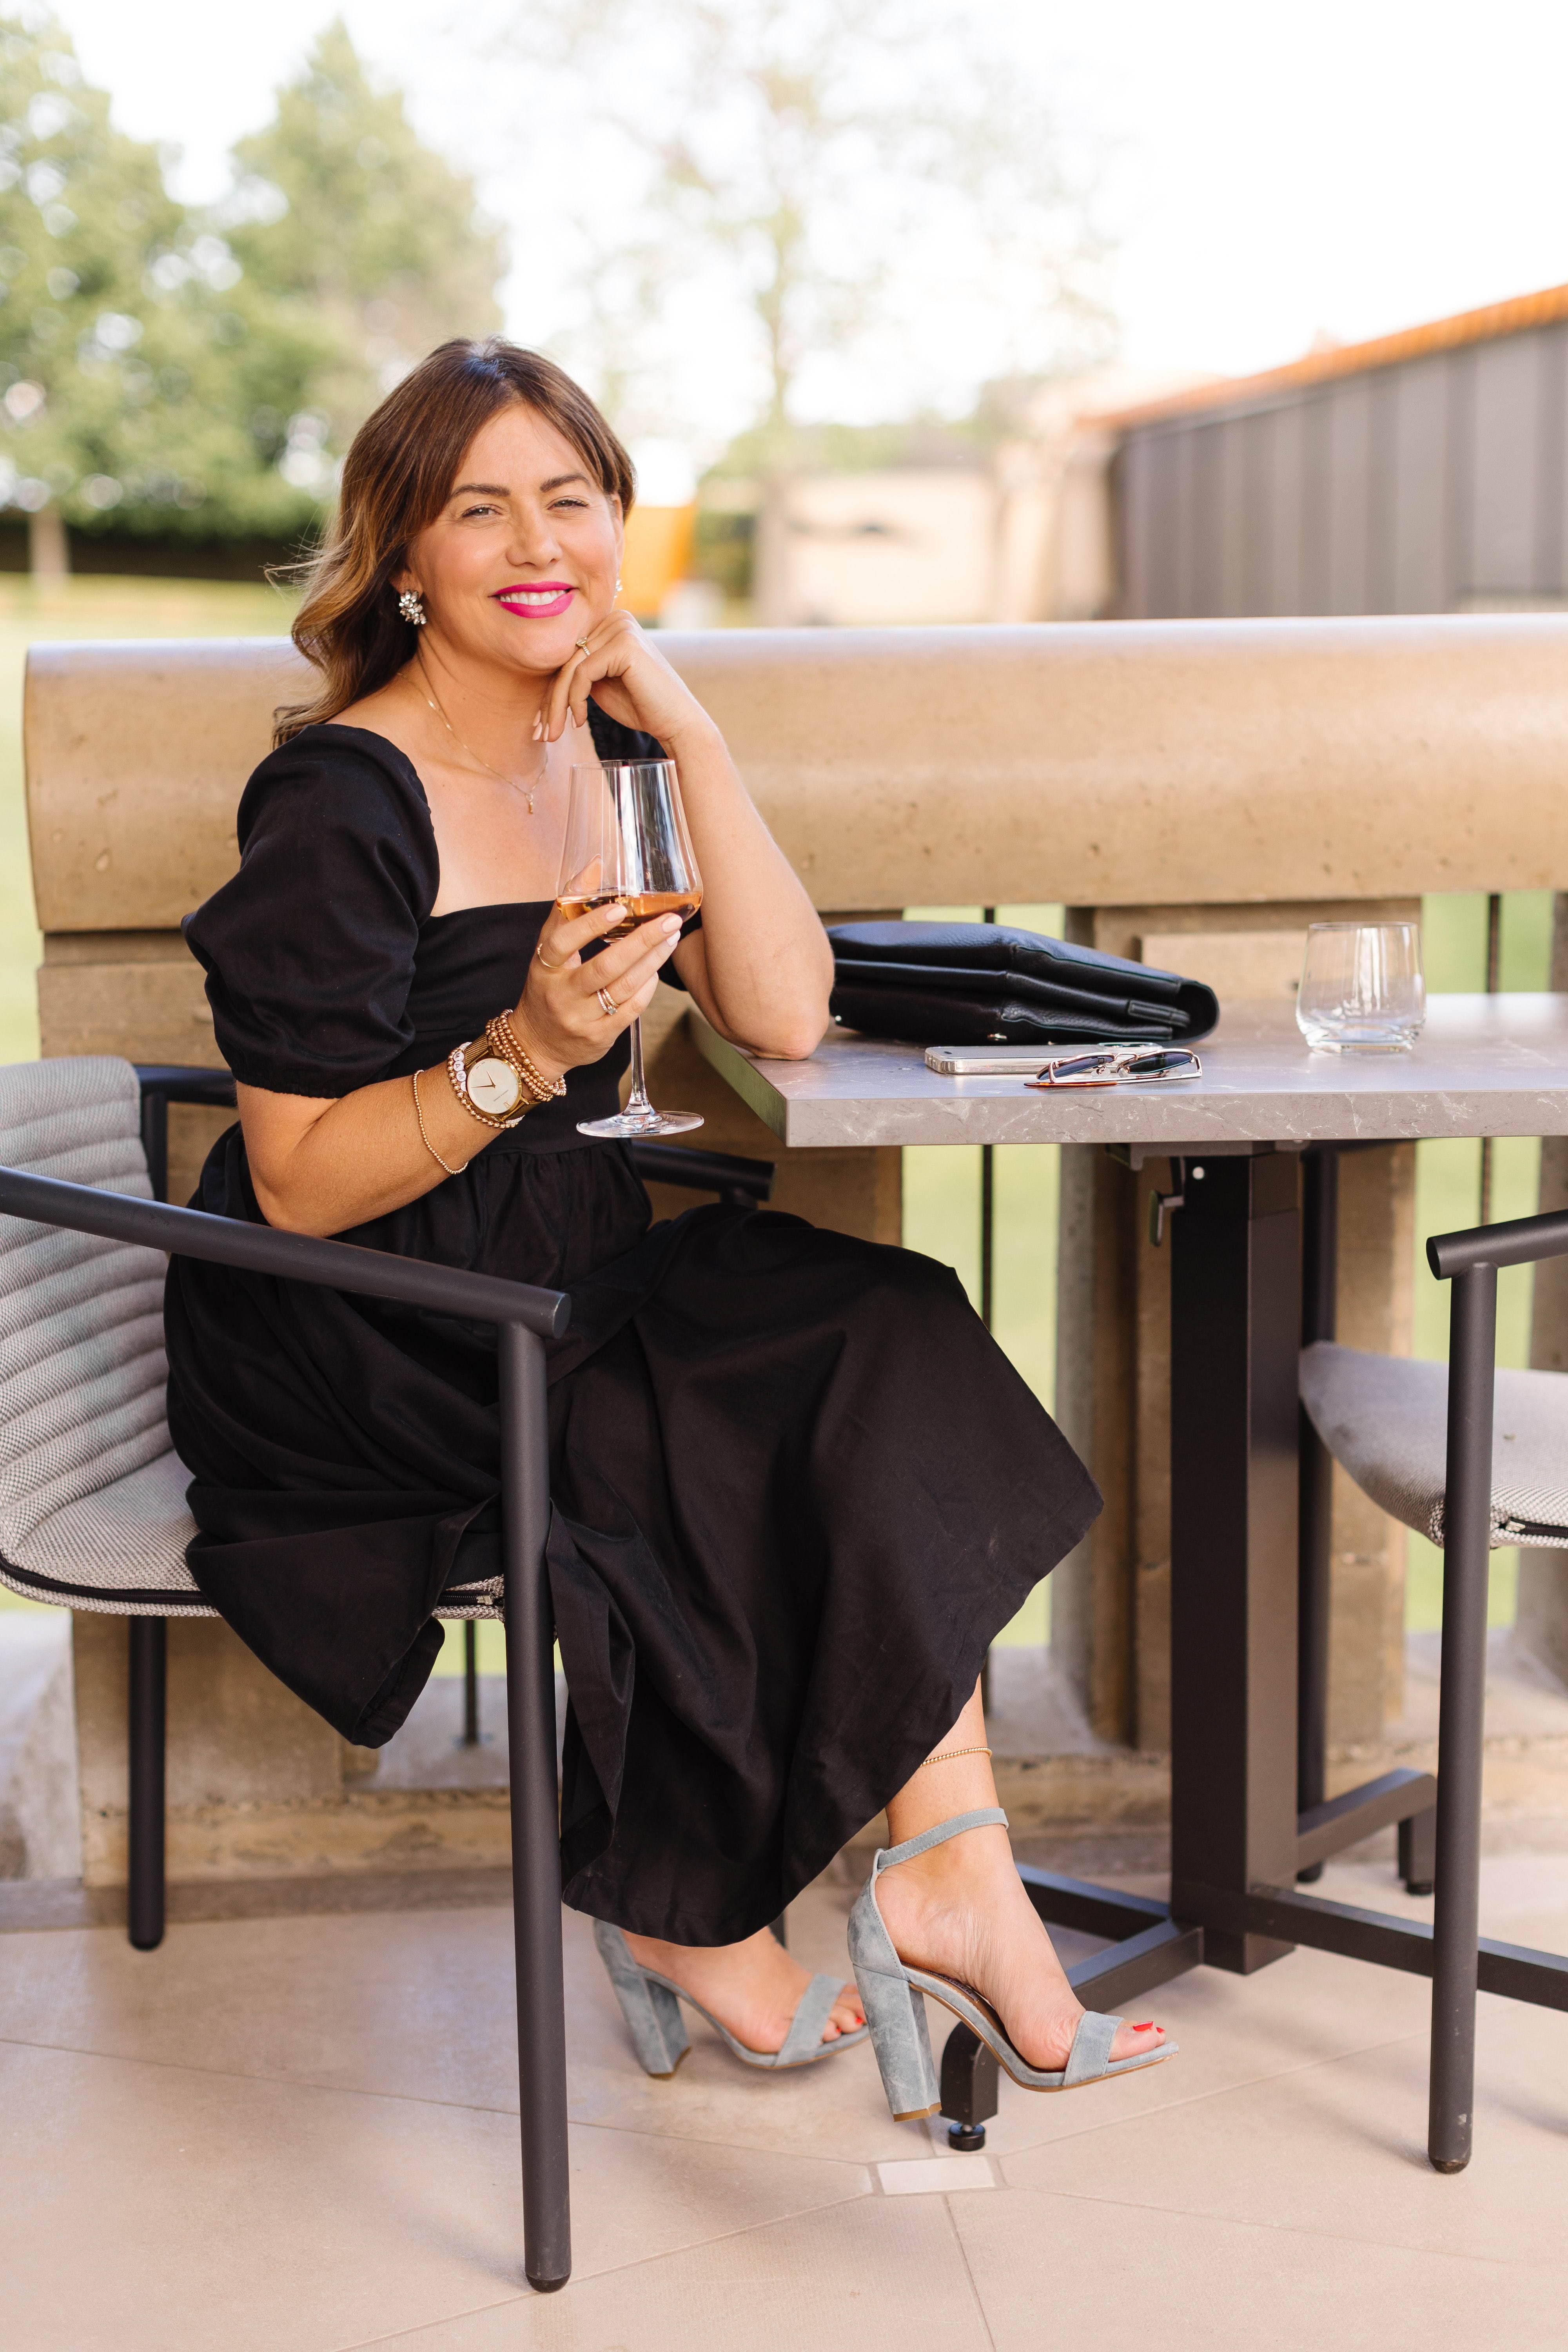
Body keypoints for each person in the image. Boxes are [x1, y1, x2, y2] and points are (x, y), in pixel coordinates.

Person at [165, 337, 1170, 2104]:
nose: (534, 543)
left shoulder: (619, 745)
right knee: (732, 1409)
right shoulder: (339, 800)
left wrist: (691, 730)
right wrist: (526, 1052)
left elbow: (780, 1010)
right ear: (405, 558)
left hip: (573, 1248)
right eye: (478, 509)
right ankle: (693, 1907)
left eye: (570, 499)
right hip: (372, 1316)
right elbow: (303, 1182)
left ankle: (951, 1866)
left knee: (886, 1327)